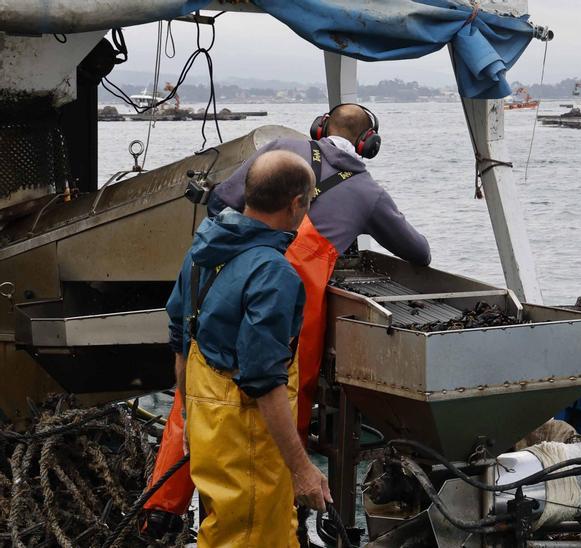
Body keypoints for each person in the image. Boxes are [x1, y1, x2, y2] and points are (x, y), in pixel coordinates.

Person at [144, 103, 432, 536]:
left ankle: (162, 513)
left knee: (199, 402)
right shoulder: (367, 192)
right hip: (293, 298)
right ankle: (290, 508)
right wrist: (302, 469)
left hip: (226, 281)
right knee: (282, 404)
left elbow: (222, 200)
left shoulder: (278, 151)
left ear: (319, 127)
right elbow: (419, 253)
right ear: (367, 144)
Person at [165, 150, 330, 546]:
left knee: (221, 532)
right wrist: (302, 469)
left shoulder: (202, 251)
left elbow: (182, 340)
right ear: (296, 205)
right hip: (248, 440)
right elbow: (264, 380)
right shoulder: (273, 272)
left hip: (208, 424)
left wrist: (189, 414)